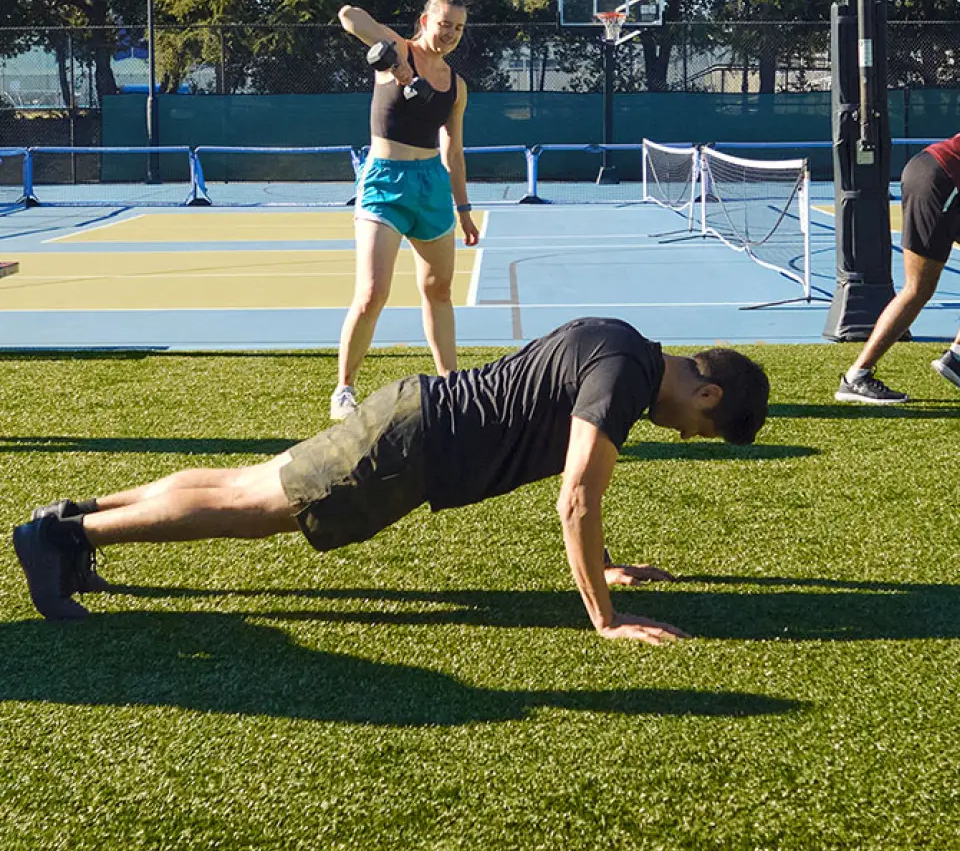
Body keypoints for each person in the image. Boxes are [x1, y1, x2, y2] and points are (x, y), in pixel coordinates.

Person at [13, 317, 769, 643]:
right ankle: (61, 540)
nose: (687, 436)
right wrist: (603, 616)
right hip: (410, 447)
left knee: (246, 479)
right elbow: (576, 496)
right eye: (702, 430)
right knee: (250, 504)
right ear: (708, 397)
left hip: (411, 413)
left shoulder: (623, 343)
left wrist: (603, 563)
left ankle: (71, 522)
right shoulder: (626, 376)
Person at [332, 0, 479, 422]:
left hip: (431, 186)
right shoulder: (400, 49)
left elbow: (454, 150)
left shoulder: (456, 85)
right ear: (425, 20)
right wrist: (395, 63)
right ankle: (344, 388)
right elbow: (349, 15)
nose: (450, 33)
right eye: (444, 23)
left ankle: (450, 385)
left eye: (458, 27)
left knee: (438, 290)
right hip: (384, 182)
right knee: (373, 293)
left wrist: (464, 208)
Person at [836, 133, 960, 406]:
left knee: (917, 288)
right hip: (941, 179)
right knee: (918, 288)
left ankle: (957, 358)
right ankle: (857, 376)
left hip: (932, 172)